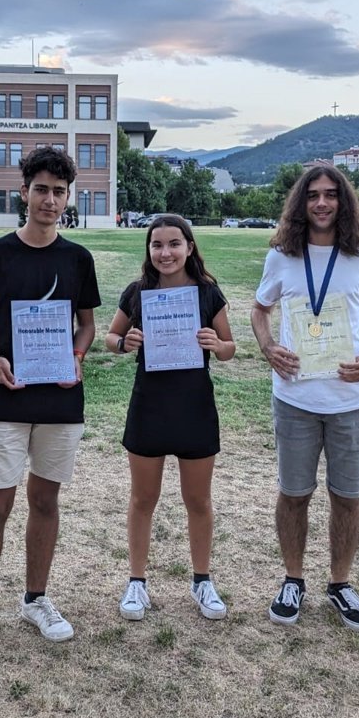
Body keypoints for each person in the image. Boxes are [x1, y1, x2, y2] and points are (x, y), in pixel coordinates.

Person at [0, 145, 100, 652]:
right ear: (23, 193)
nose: (50, 200)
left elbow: (87, 325)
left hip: (60, 400)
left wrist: (77, 356)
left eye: (59, 192)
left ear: (68, 197)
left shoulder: (77, 259)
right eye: (41, 190)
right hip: (5, 397)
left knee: (45, 500)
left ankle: (36, 598)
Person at [250, 162, 359, 632]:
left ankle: (340, 583)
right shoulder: (282, 256)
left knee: (347, 498)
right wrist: (268, 346)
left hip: (351, 400)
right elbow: (259, 309)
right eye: (313, 194)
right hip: (295, 397)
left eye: (331, 194)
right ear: (301, 202)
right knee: (294, 495)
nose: (321, 202)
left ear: (343, 201)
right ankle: (293, 579)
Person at [105, 214, 235, 622]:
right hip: (150, 405)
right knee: (143, 499)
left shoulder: (207, 292)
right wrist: (125, 342)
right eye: (157, 245)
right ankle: (137, 582)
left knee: (198, 500)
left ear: (189, 247)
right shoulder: (138, 292)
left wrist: (217, 344)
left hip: (194, 406)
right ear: (148, 250)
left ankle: (202, 580)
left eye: (174, 244)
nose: (166, 253)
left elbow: (230, 347)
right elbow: (110, 338)